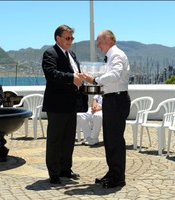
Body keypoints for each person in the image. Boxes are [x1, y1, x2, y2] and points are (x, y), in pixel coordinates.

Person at [81, 30, 131, 188]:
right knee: (109, 140)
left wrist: (95, 79)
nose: (97, 44)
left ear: (109, 40)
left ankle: (118, 178)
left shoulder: (116, 55)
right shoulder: (111, 55)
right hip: (112, 99)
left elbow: (115, 75)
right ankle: (112, 172)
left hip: (116, 100)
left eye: (99, 41)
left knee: (115, 140)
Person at [41, 25, 83, 184]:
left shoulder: (71, 54)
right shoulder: (50, 53)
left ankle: (66, 169)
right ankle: (54, 172)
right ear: (58, 38)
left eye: (72, 38)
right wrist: (72, 77)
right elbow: (51, 74)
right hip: (57, 104)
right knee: (55, 139)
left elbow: (74, 74)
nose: (70, 41)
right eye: (67, 38)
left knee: (68, 138)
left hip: (71, 104)